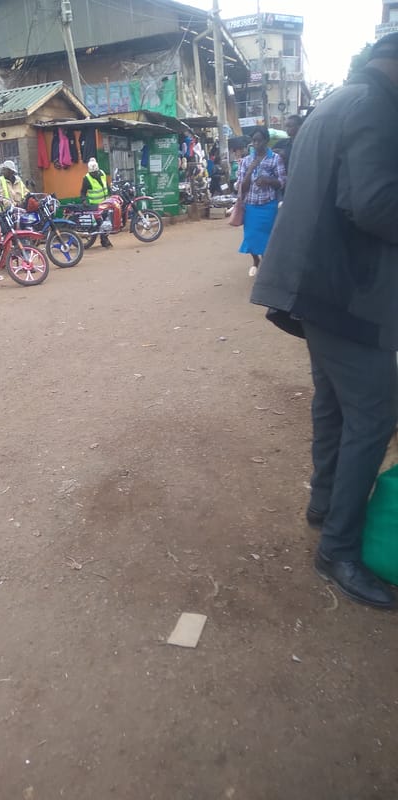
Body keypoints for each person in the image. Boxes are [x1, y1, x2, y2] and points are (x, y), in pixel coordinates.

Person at [249, 33, 398, 610]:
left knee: (334, 400)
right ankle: (338, 549)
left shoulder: (337, 103)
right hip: (344, 289)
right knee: (376, 410)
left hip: (317, 283)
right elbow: (374, 204)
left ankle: (325, 502)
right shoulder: (376, 108)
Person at [236, 127, 286, 277]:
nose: (256, 144)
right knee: (251, 237)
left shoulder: (275, 159)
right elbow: (241, 187)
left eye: (259, 140)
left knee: (268, 237)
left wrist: (269, 180)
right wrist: (250, 170)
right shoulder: (246, 161)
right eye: (254, 141)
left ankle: (266, 264)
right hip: (250, 206)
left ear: (266, 141)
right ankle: (255, 261)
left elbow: (282, 182)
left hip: (268, 205)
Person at [80, 157, 112, 248]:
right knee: (101, 224)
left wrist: (111, 194)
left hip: (105, 203)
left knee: (106, 222)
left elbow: (106, 185)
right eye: (92, 173)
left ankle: (104, 239)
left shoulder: (102, 173)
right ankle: (104, 241)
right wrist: (84, 200)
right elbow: (82, 192)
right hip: (95, 206)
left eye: (95, 172)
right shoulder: (86, 178)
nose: (94, 174)